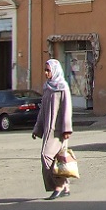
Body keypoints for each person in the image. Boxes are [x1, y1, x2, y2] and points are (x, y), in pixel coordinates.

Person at [32, 59, 73, 200]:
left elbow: (67, 109)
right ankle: (65, 185)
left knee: (46, 155)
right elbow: (42, 111)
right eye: (45, 70)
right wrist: (37, 129)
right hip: (48, 130)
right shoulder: (47, 87)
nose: (46, 73)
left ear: (55, 70)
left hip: (59, 130)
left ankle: (58, 185)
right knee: (57, 158)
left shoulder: (62, 87)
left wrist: (67, 129)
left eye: (48, 70)